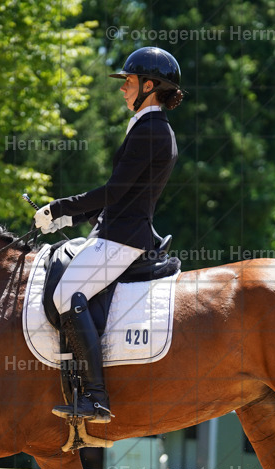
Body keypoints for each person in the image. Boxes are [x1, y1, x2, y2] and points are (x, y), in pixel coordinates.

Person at [34, 46, 184, 423]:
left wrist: (60, 207)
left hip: (124, 239)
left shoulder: (151, 130)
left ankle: (96, 397)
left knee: (67, 294)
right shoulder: (149, 127)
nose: (123, 89)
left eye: (129, 82)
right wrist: (73, 219)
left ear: (150, 86)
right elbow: (123, 194)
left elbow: (115, 190)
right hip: (118, 230)